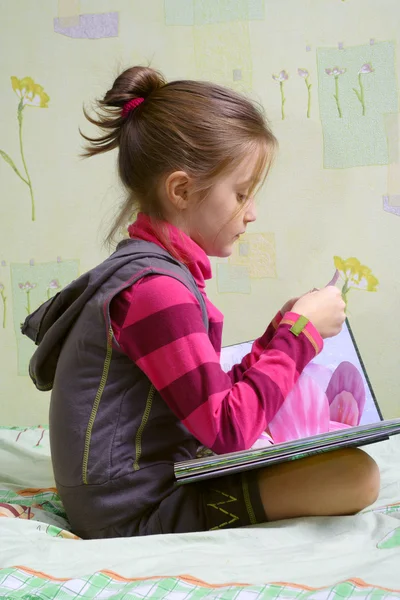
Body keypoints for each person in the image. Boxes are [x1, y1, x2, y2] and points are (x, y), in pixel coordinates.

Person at [23, 66, 380, 539]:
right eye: (241, 193)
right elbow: (228, 429)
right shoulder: (157, 290)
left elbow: (203, 404)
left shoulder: (156, 278)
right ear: (182, 190)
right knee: (356, 476)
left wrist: (280, 332)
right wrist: (299, 336)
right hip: (129, 512)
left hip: (127, 495)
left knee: (341, 466)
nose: (251, 213)